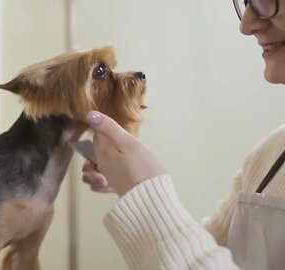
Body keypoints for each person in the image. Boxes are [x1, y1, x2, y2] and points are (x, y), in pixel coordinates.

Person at [82, 0, 285, 269]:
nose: (245, 26)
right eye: (246, 3)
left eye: (265, 2)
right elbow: (211, 248)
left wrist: (145, 193)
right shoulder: (268, 153)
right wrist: (130, 182)